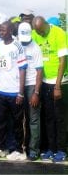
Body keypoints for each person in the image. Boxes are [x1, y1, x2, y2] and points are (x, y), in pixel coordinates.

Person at [0, 21, 27, 161]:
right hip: (0, 90)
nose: (1, 32)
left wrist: (20, 92)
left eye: (4, 30)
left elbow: (23, 69)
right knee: (0, 122)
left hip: (14, 91)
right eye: (0, 30)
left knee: (17, 123)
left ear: (11, 30)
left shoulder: (17, 46)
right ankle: (1, 147)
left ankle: (18, 150)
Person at [32, 16, 68, 163]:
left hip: (60, 83)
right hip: (45, 82)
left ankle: (61, 150)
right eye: (37, 32)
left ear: (46, 24)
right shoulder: (35, 34)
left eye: (41, 31)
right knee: (48, 117)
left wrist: (58, 86)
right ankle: (51, 148)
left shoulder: (59, 33)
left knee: (60, 118)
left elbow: (62, 61)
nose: (39, 35)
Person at [17, 22, 43, 161]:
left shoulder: (36, 48)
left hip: (32, 85)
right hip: (17, 86)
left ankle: (34, 149)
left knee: (33, 119)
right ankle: (20, 146)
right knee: (19, 119)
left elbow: (39, 71)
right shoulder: (16, 44)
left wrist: (36, 93)